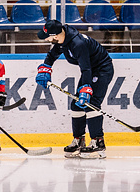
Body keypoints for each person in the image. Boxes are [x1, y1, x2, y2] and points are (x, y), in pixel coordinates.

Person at [35, 19, 114, 158]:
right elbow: (52, 55)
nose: (46, 39)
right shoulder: (63, 38)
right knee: (76, 104)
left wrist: (86, 89)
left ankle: (98, 142)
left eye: (48, 36)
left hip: (101, 70)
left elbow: (86, 69)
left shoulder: (78, 44)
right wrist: (45, 69)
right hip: (90, 70)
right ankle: (79, 140)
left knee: (91, 104)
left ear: (56, 35)